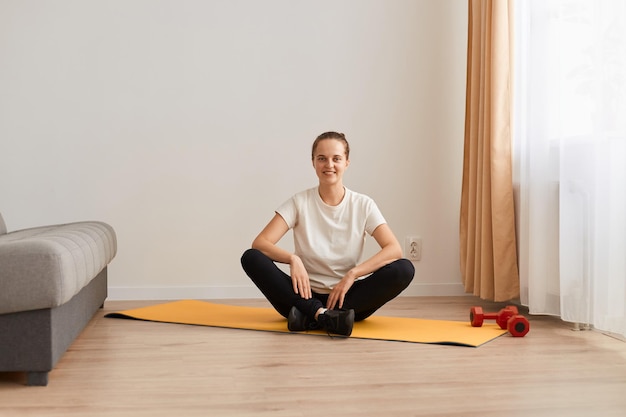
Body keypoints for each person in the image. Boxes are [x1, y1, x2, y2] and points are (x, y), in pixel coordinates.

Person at [240, 131, 415, 336]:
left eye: (336, 159)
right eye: (321, 158)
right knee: (251, 258)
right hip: (301, 295)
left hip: (346, 298)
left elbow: (394, 249)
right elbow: (260, 243)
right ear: (313, 162)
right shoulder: (299, 202)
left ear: (347, 162)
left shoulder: (363, 204)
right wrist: (292, 259)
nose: (329, 165)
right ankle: (324, 315)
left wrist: (353, 274)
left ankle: (309, 316)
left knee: (404, 269)